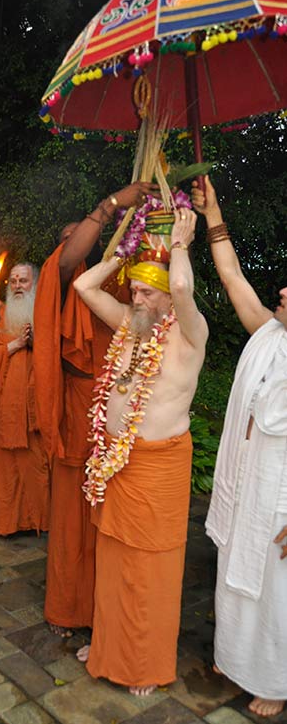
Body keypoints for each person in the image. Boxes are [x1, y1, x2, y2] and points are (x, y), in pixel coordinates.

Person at [72, 208, 208, 695]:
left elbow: (185, 288)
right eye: (134, 291)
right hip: (116, 466)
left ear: (168, 296)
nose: (137, 299)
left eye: (148, 293)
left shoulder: (191, 336)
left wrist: (180, 245)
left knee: (151, 569)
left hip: (158, 468)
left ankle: (144, 662)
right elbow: (84, 286)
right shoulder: (131, 325)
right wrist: (123, 251)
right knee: (113, 562)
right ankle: (109, 645)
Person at [33, 182, 157, 638]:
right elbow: (69, 257)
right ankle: (68, 608)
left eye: (85, 236)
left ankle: (109, 606)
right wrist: (111, 204)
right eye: (71, 237)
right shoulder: (69, 274)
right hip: (78, 407)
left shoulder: (122, 281)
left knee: (115, 511)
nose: (78, 242)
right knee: (72, 514)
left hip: (122, 405)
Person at [192, 177, 287, 718]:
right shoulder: (271, 334)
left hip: (281, 500)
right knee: (235, 576)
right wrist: (213, 213)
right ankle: (236, 660)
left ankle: (274, 680)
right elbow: (231, 277)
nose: (282, 292)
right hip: (247, 484)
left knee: (275, 592)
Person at [0, 262, 51, 535]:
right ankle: (5, 524)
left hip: (36, 409)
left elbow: (60, 355)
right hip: (7, 409)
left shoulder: (46, 314)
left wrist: (35, 344)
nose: (18, 285)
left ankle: (38, 521)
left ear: (35, 285)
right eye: (14, 281)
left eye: (24, 281)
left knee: (38, 464)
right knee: (6, 469)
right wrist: (15, 345)